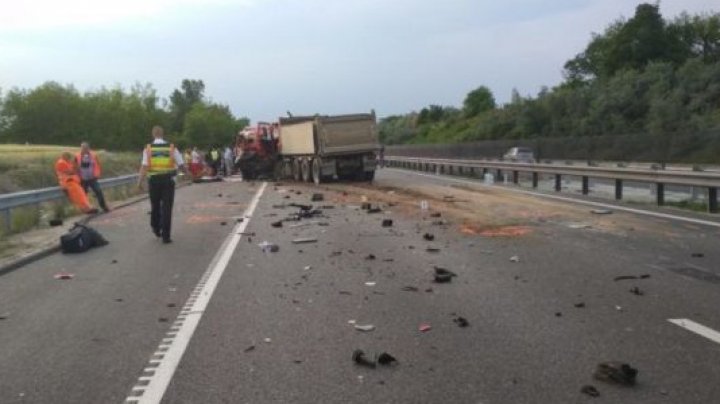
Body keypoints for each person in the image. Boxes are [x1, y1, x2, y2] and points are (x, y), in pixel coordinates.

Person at [136, 125, 186, 244]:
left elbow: (144, 166)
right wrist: (189, 174)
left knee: (155, 206)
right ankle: (166, 237)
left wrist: (139, 182)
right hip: (168, 181)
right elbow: (181, 165)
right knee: (167, 208)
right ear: (163, 134)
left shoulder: (148, 149)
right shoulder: (171, 148)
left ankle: (156, 227)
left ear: (153, 135)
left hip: (154, 181)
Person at [76, 142, 110, 212]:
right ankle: (86, 209)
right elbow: (75, 167)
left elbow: (97, 165)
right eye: (82, 148)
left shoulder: (93, 156)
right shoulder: (77, 156)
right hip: (83, 179)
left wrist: (97, 174)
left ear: (88, 148)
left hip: (92, 178)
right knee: (83, 195)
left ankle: (104, 207)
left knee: (98, 191)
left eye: (85, 148)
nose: (84, 149)